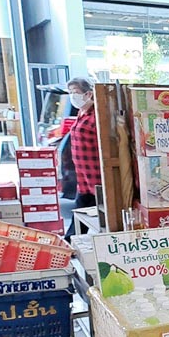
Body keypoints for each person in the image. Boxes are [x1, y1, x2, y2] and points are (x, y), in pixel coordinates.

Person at [65, 78, 101, 239]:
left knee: (85, 210)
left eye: (76, 92)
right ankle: (70, 241)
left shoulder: (97, 116)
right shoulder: (81, 113)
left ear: (88, 94)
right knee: (81, 210)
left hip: (96, 175)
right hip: (83, 176)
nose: (72, 96)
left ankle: (70, 241)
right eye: (70, 92)